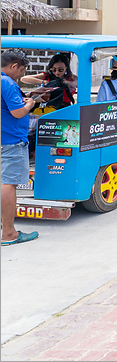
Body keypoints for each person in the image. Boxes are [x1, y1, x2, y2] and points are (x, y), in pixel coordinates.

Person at [2, 49, 42, 246]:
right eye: (22, 71)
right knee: (8, 184)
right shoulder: (7, 83)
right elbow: (18, 113)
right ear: (13, 66)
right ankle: (9, 234)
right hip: (10, 142)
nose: (21, 75)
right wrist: (30, 104)